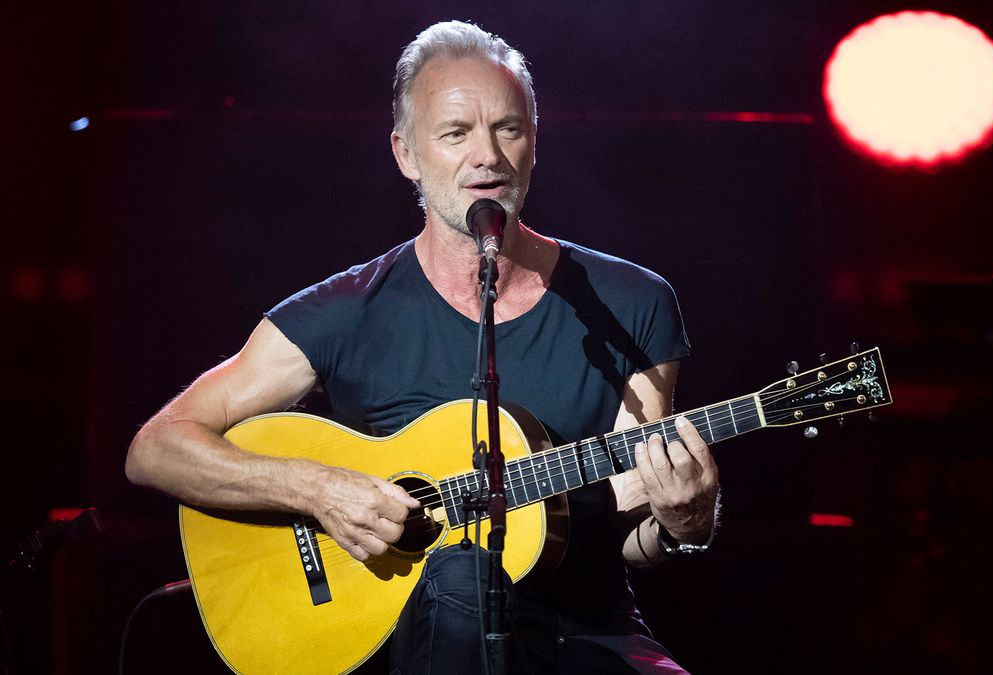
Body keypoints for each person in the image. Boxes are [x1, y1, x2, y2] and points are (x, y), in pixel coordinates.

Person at [125, 20, 719, 674]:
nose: (487, 156)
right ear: (407, 153)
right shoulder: (346, 310)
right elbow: (157, 447)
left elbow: (633, 535)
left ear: (534, 144)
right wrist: (317, 487)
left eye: (508, 129)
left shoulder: (632, 301)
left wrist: (681, 521)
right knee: (459, 575)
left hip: (585, 633)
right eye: (457, 133)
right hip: (413, 638)